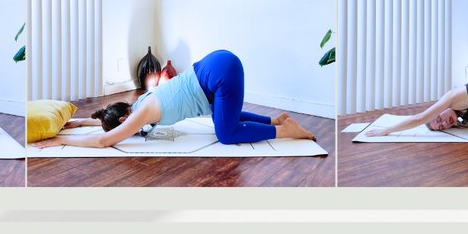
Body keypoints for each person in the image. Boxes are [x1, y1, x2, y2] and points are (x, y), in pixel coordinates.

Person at [38, 49, 317, 148]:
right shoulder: (140, 100)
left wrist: (61, 140)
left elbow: (104, 140)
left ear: (125, 119)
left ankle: (284, 130)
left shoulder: (141, 113)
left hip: (221, 74)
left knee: (226, 134)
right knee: (220, 115)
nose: (128, 132)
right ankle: (275, 118)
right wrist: (75, 123)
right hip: (215, 65)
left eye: (125, 128)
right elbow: (104, 123)